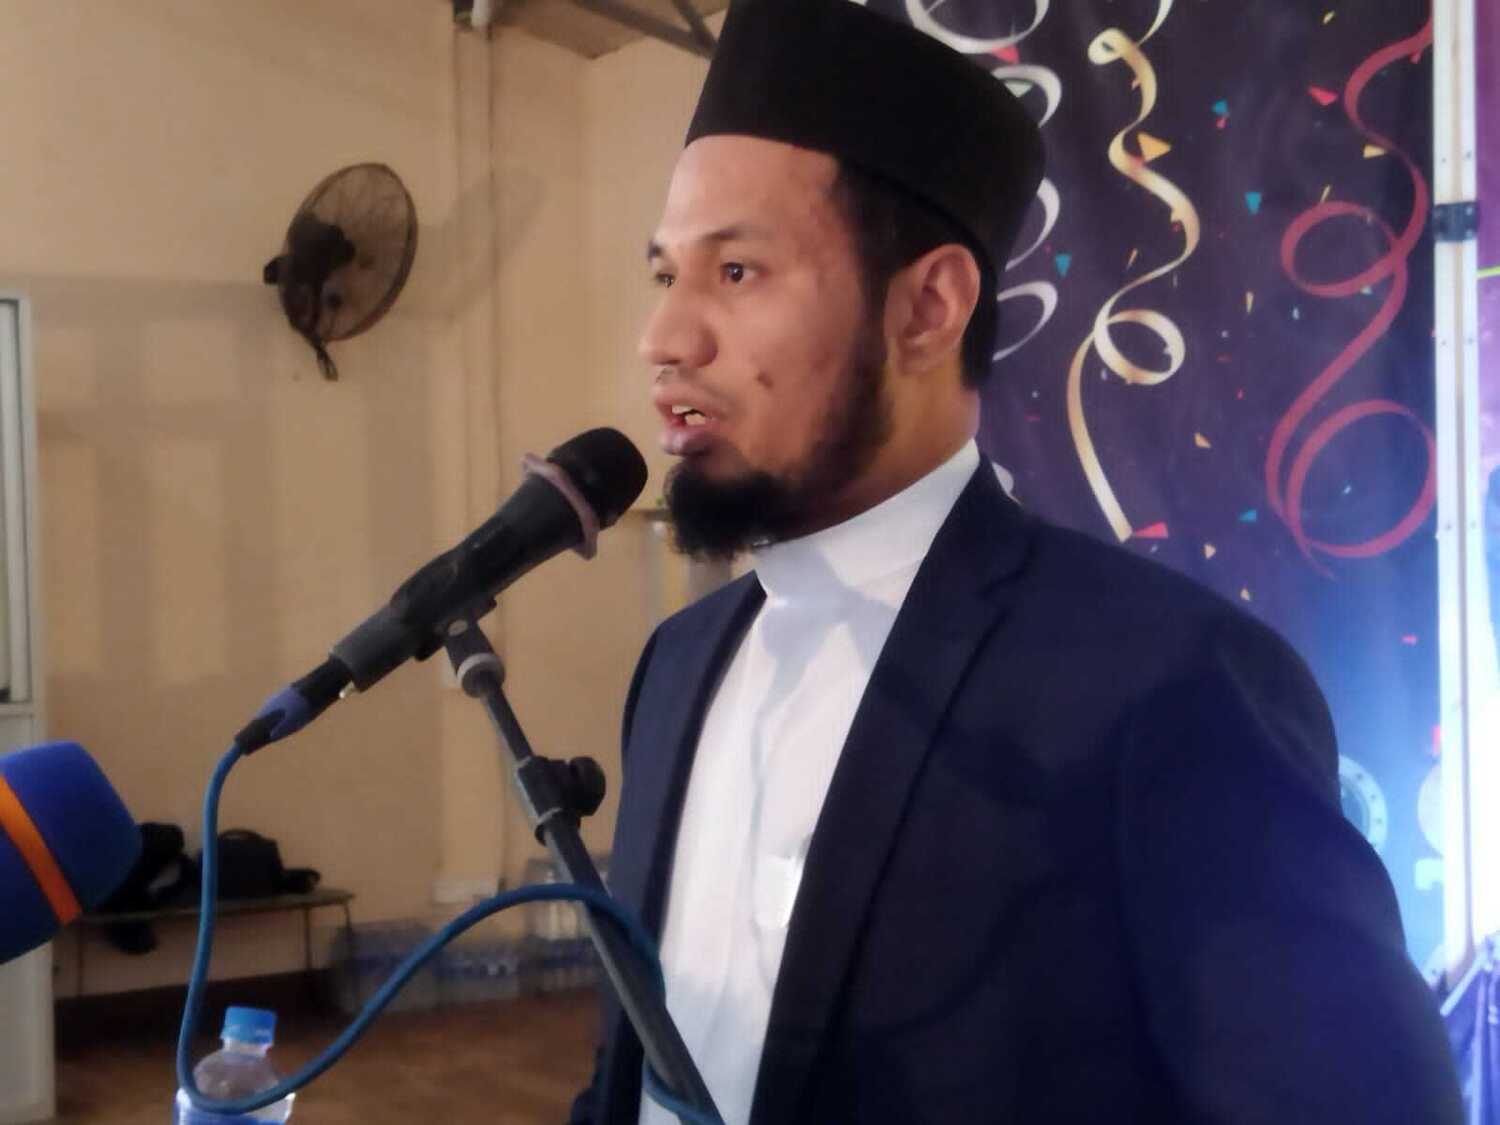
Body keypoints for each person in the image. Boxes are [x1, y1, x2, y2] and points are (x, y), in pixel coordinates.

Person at [571, 0, 1464, 1121]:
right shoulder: (676, 666)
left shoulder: (1168, 686)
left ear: (928, 306)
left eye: (737, 271)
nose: (665, 338)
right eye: (666, 275)